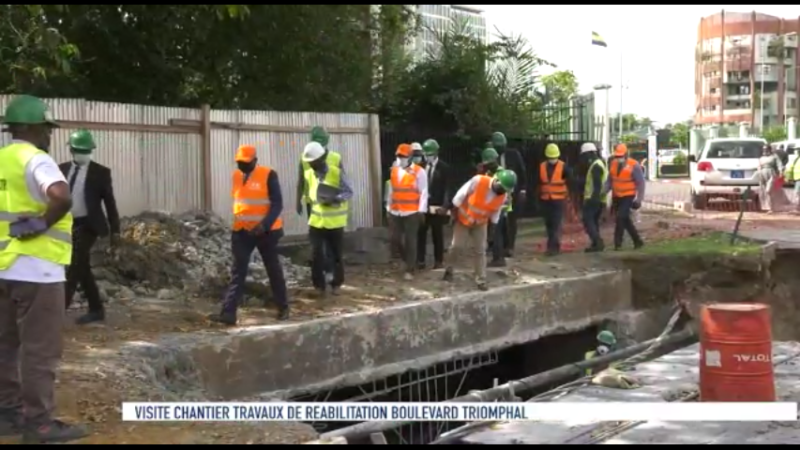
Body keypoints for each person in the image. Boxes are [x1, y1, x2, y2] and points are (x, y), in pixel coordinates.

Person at [0, 94, 88, 443]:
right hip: (38, 271)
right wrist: (40, 223)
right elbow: (61, 196)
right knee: (39, 350)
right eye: (46, 128)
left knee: (5, 346)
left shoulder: (2, 160)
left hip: (3, 268)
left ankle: (6, 414)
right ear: (31, 128)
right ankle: (38, 424)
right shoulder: (36, 159)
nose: (50, 135)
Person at [209, 145, 290, 325]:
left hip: (266, 232)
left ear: (255, 160)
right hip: (242, 231)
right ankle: (228, 313)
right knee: (238, 271)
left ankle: (283, 307)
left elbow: (277, 204)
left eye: (246, 163)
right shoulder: (236, 176)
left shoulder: (268, 175)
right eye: (239, 163)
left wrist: (264, 225)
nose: (242, 166)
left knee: (273, 270)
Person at [58, 129, 121, 325]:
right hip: (67, 224)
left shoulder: (100, 173)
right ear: (72, 150)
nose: (83, 154)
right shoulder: (61, 169)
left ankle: (58, 312)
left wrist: (115, 231)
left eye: (86, 151)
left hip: (89, 225)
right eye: (79, 150)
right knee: (82, 266)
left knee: (74, 264)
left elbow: (110, 203)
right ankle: (96, 309)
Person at [443, 169, 516, 291]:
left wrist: (491, 232)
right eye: (502, 188)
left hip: (480, 223)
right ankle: (449, 269)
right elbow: (459, 196)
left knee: (480, 250)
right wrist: (453, 215)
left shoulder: (502, 197)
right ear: (496, 181)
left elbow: (495, 214)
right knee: (457, 247)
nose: (503, 191)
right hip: (463, 220)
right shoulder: (478, 181)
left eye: (505, 190)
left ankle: (481, 279)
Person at [302, 141, 353, 297]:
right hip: (316, 222)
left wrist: (335, 199)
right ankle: (319, 286)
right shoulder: (309, 174)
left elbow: (349, 192)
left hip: (335, 222)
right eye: (309, 162)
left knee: (336, 254)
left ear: (321, 159)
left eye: (313, 162)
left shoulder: (336, 173)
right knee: (316, 254)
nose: (311, 165)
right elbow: (309, 196)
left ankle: (336, 283)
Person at [296, 126, 340, 279]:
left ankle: (330, 269)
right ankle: (322, 270)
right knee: (317, 240)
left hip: (329, 202)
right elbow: (301, 180)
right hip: (313, 203)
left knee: (329, 237)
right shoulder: (305, 157)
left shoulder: (335, 158)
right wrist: (298, 200)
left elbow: (342, 180)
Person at [387, 144, 428, 280]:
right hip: (396, 210)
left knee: (410, 241)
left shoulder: (419, 171)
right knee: (395, 238)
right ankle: (406, 260)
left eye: (403, 156)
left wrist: (421, 210)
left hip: (412, 212)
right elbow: (391, 190)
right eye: (398, 156)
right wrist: (388, 207)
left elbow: (423, 192)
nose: (400, 159)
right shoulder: (394, 170)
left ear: (410, 157)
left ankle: (410, 268)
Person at [491, 132, 527, 258]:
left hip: (512, 193)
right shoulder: (492, 157)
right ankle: (499, 245)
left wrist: (523, 189)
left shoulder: (514, 154)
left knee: (511, 220)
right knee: (498, 220)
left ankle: (510, 246)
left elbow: (522, 171)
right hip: (497, 193)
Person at [416, 139, 451, 270]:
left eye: (430, 154)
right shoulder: (420, 167)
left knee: (437, 233)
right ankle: (420, 260)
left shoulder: (444, 168)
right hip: (423, 205)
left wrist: (445, 206)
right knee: (421, 233)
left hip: (437, 206)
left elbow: (447, 188)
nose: (427, 157)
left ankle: (438, 260)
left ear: (436, 153)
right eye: (426, 154)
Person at [536, 143, 572, 256]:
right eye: (551, 158)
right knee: (549, 224)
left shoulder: (564, 167)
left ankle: (552, 247)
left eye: (554, 157)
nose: (552, 160)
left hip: (558, 200)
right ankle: (553, 246)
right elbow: (537, 183)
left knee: (555, 224)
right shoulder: (541, 167)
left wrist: (570, 196)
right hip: (546, 200)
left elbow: (570, 181)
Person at [608, 144, 645, 250]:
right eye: (617, 156)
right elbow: (610, 180)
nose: (618, 158)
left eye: (620, 156)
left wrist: (639, 199)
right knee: (625, 219)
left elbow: (641, 183)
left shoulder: (634, 165)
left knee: (620, 218)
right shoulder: (613, 164)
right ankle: (637, 241)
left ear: (626, 155)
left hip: (628, 195)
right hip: (616, 196)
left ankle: (618, 244)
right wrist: (603, 191)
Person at [579, 142, 608, 252]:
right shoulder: (599, 163)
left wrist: (593, 199)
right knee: (594, 222)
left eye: (585, 155)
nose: (585, 158)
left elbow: (597, 184)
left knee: (588, 221)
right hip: (599, 198)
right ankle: (596, 244)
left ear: (590, 153)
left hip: (593, 198)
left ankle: (598, 241)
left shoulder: (596, 166)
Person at [757, 143, 789, 213]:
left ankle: (772, 207)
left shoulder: (774, 156)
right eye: (763, 149)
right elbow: (759, 166)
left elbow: (779, 165)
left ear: (769, 149)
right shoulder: (761, 158)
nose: (764, 150)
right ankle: (768, 207)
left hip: (771, 174)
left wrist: (781, 172)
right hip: (762, 174)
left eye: (766, 149)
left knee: (768, 190)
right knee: (763, 191)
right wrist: (759, 172)